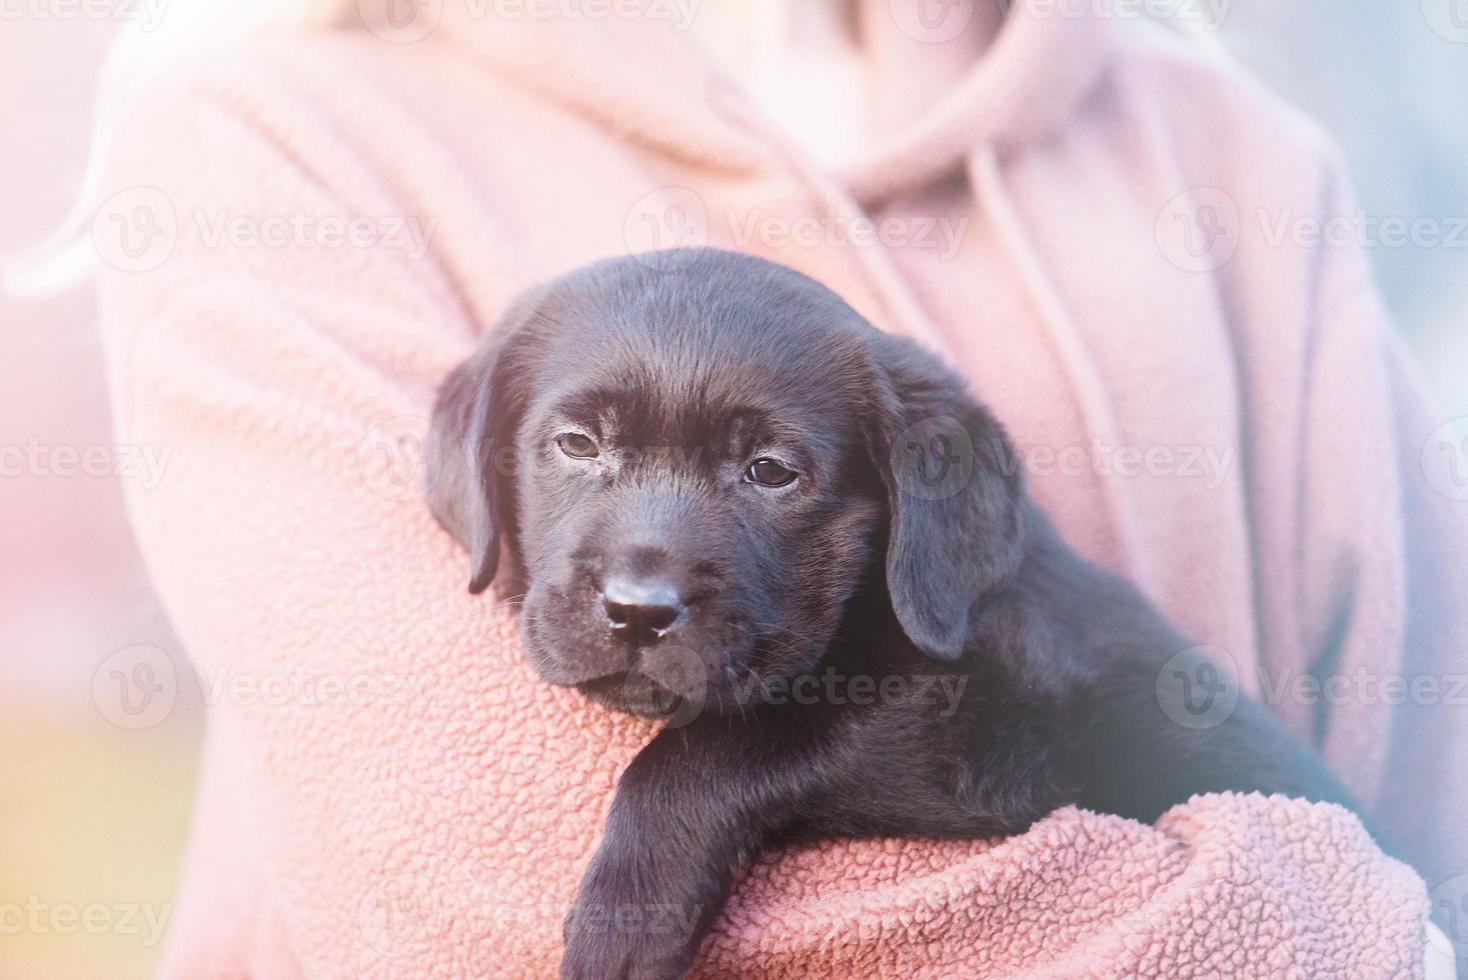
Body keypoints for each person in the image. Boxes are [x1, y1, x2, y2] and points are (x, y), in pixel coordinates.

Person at [36, 0, 1464, 974]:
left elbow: (1436, 815)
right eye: (583, 447)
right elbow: (504, 884)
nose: (646, 564)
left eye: (768, 468)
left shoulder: (1240, 155)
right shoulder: (277, 118)